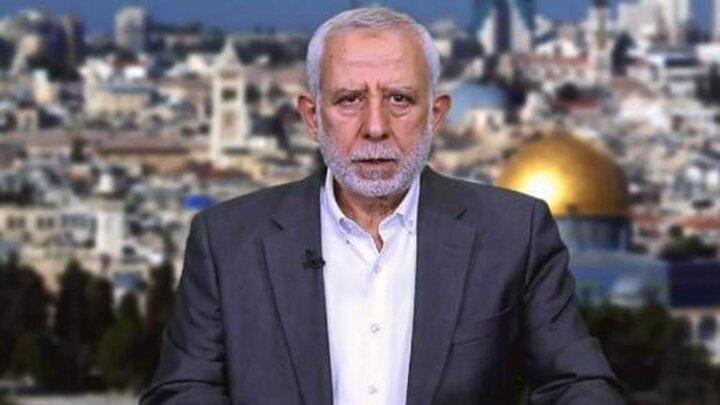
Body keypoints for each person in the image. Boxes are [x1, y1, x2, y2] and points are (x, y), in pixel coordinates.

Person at [141, 6, 624, 405]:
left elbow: (578, 385)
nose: (375, 127)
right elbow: (183, 391)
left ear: (436, 114)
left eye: (399, 99)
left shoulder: (513, 233)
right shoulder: (228, 242)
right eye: (350, 100)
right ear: (312, 116)